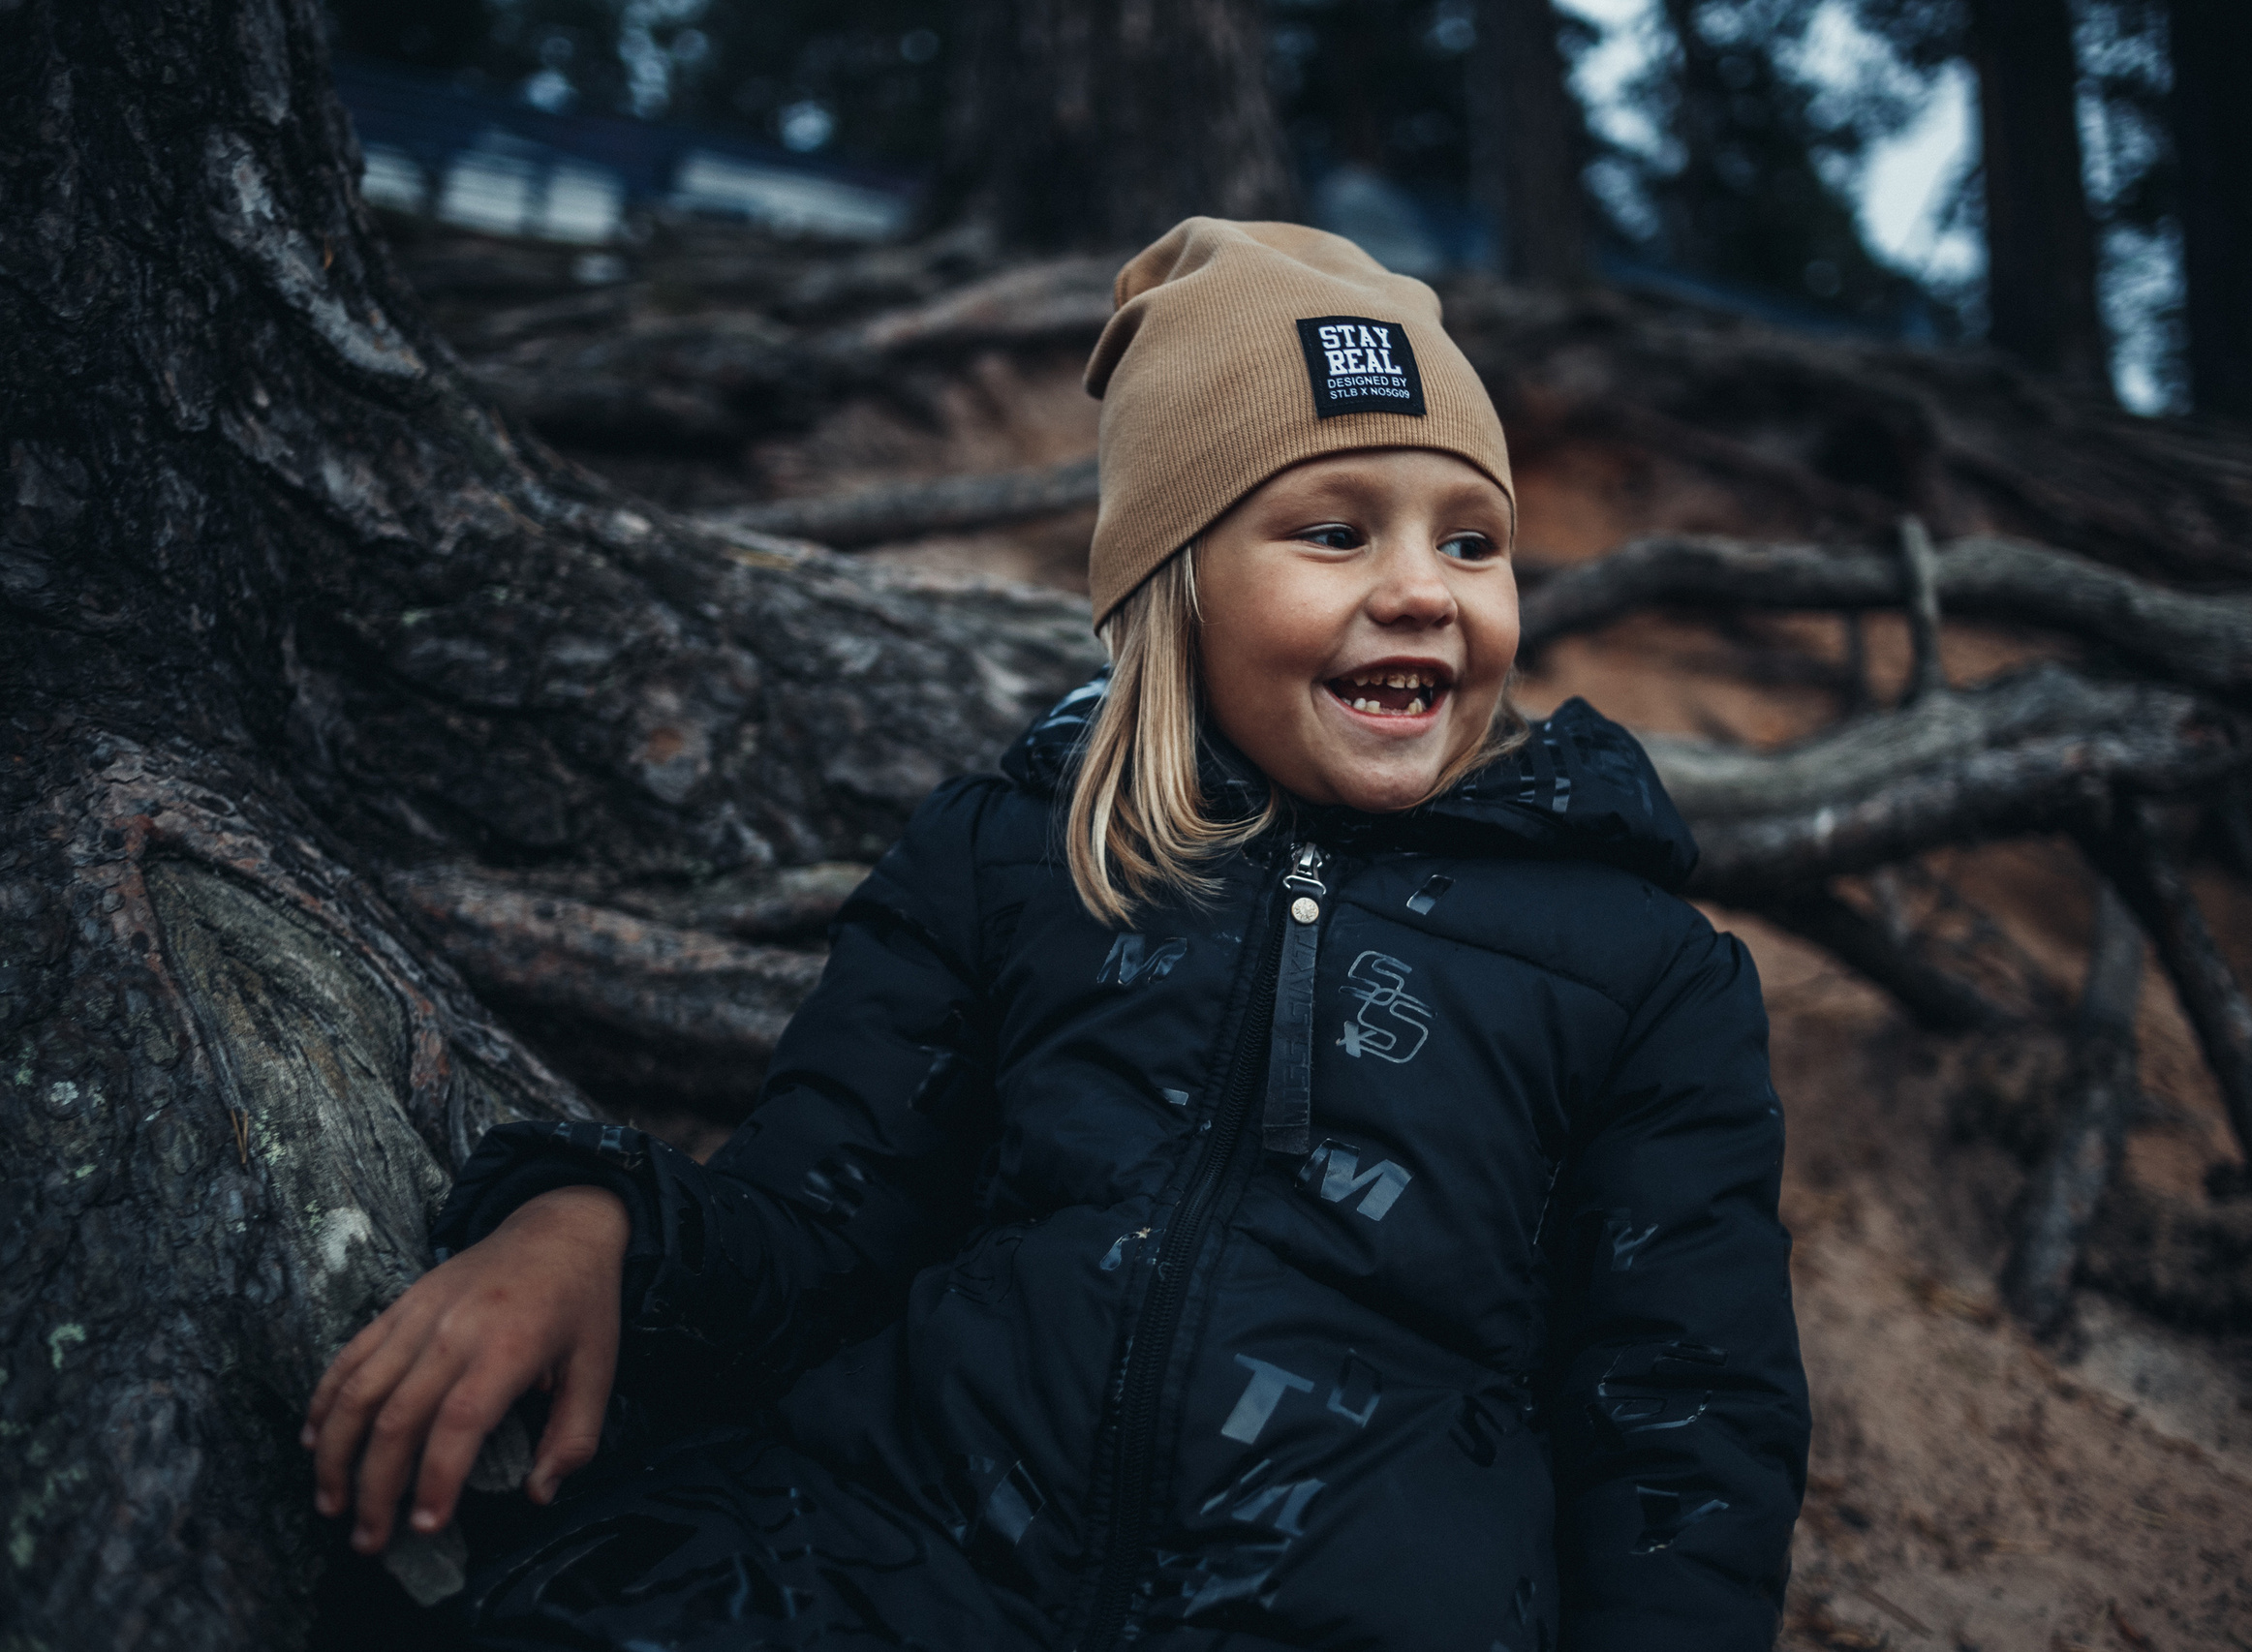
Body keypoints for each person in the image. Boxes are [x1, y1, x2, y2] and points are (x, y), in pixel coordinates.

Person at [303, 218, 1809, 1650]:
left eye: (1473, 543)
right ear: (1175, 580)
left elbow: (1685, 1424)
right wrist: (598, 1226)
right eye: (1335, 531)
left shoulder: (1642, 969)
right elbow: (818, 1224)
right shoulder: (1012, 857)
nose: (1422, 589)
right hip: (897, 1565)